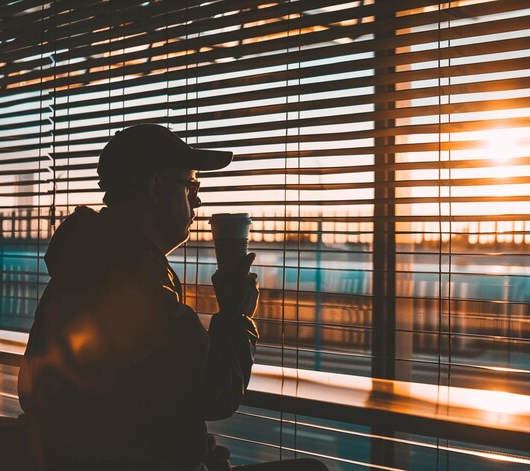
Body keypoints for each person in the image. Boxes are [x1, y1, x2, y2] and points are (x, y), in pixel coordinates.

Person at [17, 124, 327, 471]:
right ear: (155, 188)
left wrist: (198, 449)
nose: (198, 200)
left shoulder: (81, 266)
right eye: (191, 186)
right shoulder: (135, 284)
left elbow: (145, 403)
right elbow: (218, 393)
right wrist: (236, 314)